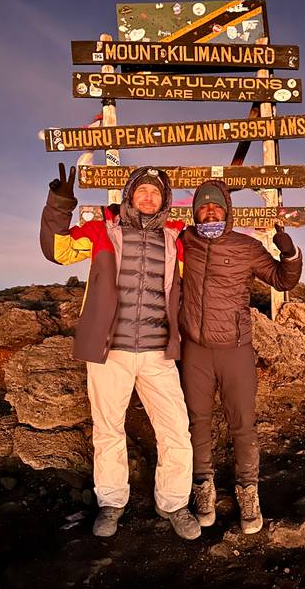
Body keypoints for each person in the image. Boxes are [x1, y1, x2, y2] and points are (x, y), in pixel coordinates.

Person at [40, 164, 200, 540]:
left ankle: (174, 502)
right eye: (142, 191)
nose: (148, 197)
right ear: (130, 195)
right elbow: (57, 251)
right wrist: (59, 205)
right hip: (109, 352)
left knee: (176, 429)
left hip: (158, 353)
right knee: (108, 428)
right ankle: (111, 502)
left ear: (164, 201)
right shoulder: (100, 231)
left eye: (156, 193)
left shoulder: (175, 239)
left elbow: (208, 266)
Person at [179, 180, 302, 534]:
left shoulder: (246, 247)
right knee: (197, 422)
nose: (211, 211)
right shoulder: (185, 241)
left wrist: (289, 252)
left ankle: (249, 492)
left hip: (236, 349)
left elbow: (282, 281)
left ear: (227, 211)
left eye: (216, 207)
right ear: (196, 212)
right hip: (195, 350)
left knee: (243, 424)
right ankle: (203, 487)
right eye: (204, 207)